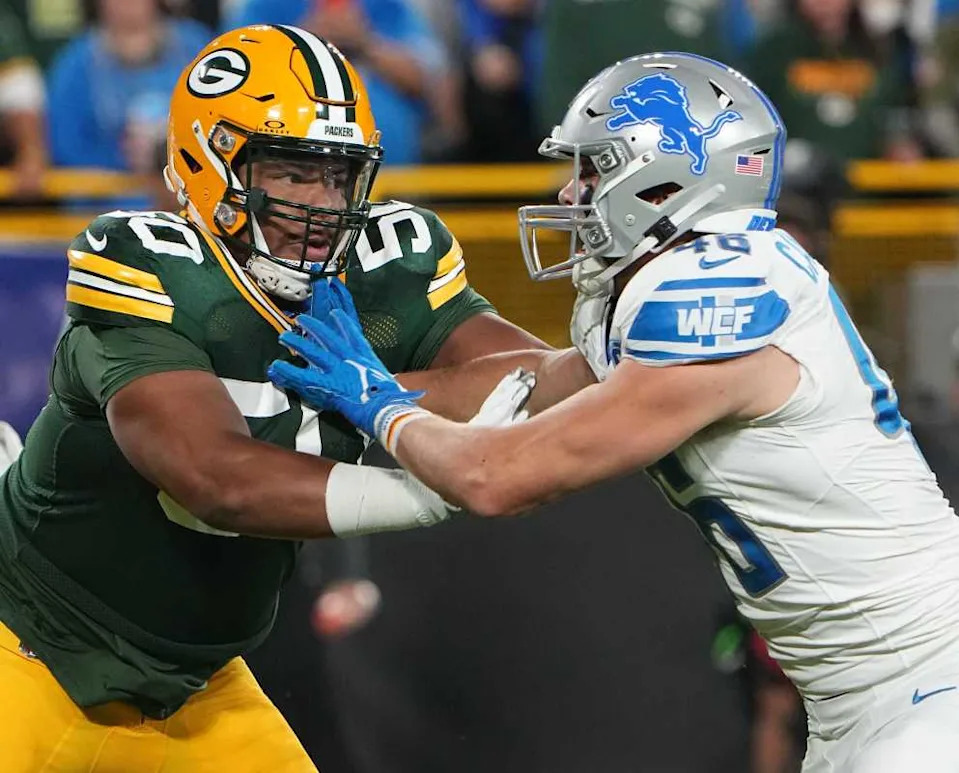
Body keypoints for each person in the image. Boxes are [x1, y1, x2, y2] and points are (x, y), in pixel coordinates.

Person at [272, 52, 959, 773]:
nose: (572, 191)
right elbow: (528, 386)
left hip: (926, 683)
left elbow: (494, 477)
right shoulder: (666, 282)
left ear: (671, 173)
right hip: (866, 700)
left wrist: (376, 403)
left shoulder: (717, 292)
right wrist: (347, 378)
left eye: (595, 168)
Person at [0, 24, 553, 772]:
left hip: (191, 686)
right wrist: (434, 481)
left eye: (339, 176)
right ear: (207, 160)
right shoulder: (147, 266)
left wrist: (623, 351)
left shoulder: (386, 267)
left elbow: (529, 378)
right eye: (291, 173)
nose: (321, 205)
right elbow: (215, 477)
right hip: (29, 645)